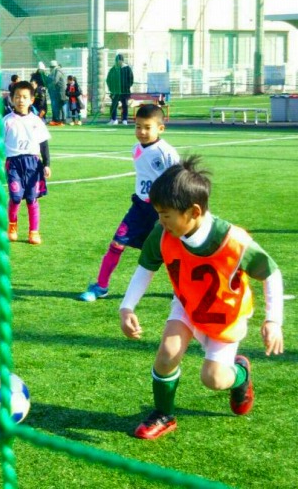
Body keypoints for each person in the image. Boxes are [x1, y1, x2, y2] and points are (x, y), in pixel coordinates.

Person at [118, 155, 284, 439]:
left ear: (194, 212)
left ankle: (241, 374)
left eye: (166, 215)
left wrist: (273, 321)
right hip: (187, 304)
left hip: (225, 317)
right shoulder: (162, 233)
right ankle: (164, 414)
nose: (160, 221)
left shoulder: (235, 241)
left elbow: (271, 273)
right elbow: (146, 267)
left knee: (213, 379)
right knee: (167, 353)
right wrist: (127, 306)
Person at [79, 104, 178, 302]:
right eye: (138, 126)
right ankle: (101, 286)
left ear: (160, 128)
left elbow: (178, 181)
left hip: (162, 211)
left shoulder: (167, 152)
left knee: (171, 251)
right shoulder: (136, 149)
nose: (141, 132)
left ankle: (181, 289)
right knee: (117, 243)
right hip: (139, 208)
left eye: (147, 127)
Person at [2, 80, 51, 245]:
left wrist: (47, 164)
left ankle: (34, 231)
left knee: (32, 198)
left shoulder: (36, 121)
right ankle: (12, 226)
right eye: (17, 97)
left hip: (33, 164)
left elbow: (44, 144)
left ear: (31, 100)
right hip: (13, 163)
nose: (20, 100)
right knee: (15, 197)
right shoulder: (7, 121)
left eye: (24, 97)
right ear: (12, 99)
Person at [106, 54, 134, 125]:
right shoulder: (113, 69)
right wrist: (111, 89)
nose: (118, 62)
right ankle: (113, 119)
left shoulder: (127, 69)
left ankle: (124, 120)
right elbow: (108, 80)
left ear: (122, 61)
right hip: (115, 91)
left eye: (119, 61)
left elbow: (131, 79)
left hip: (124, 91)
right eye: (117, 61)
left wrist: (126, 87)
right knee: (113, 105)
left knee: (125, 105)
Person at [47, 60, 66, 126]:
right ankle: (60, 120)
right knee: (60, 106)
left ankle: (59, 120)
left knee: (58, 106)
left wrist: (48, 86)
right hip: (60, 92)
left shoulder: (58, 72)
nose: (51, 68)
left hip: (60, 92)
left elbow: (55, 81)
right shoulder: (57, 71)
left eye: (52, 67)